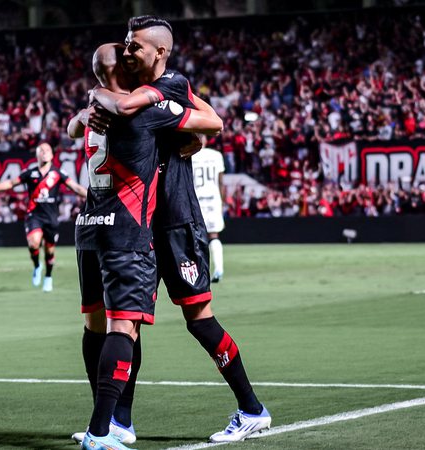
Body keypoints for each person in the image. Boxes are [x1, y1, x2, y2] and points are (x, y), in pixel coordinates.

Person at [91, 15, 271, 443]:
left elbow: (214, 121)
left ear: (160, 52)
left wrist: (98, 98)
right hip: (143, 224)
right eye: (126, 44)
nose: (128, 51)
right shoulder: (137, 92)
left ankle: (251, 409)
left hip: (177, 221)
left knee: (199, 320)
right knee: (129, 322)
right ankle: (121, 422)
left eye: (135, 45)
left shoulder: (171, 84)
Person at [69, 42, 224, 450]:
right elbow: (212, 123)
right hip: (127, 230)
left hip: (89, 227)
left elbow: (73, 127)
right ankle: (101, 431)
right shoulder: (142, 111)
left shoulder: (92, 114)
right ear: (123, 68)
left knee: (95, 326)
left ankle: (111, 422)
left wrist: (85, 108)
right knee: (124, 328)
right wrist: (195, 136)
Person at [0, 143, 86, 292]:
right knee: (34, 243)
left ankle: (48, 277)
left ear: (52, 155)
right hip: (34, 215)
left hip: (51, 217)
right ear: (37, 154)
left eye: (47, 150)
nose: (45, 152)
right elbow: (10, 183)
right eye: (42, 150)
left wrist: (93, 196)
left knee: (49, 251)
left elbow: (76, 187)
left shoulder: (58, 173)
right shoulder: (30, 173)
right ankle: (37, 266)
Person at [192, 135, 226, 282]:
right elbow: (221, 182)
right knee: (214, 235)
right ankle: (219, 268)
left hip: (196, 199)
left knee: (196, 237)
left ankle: (199, 272)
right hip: (213, 199)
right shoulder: (216, 155)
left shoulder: (189, 155)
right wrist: (222, 201)